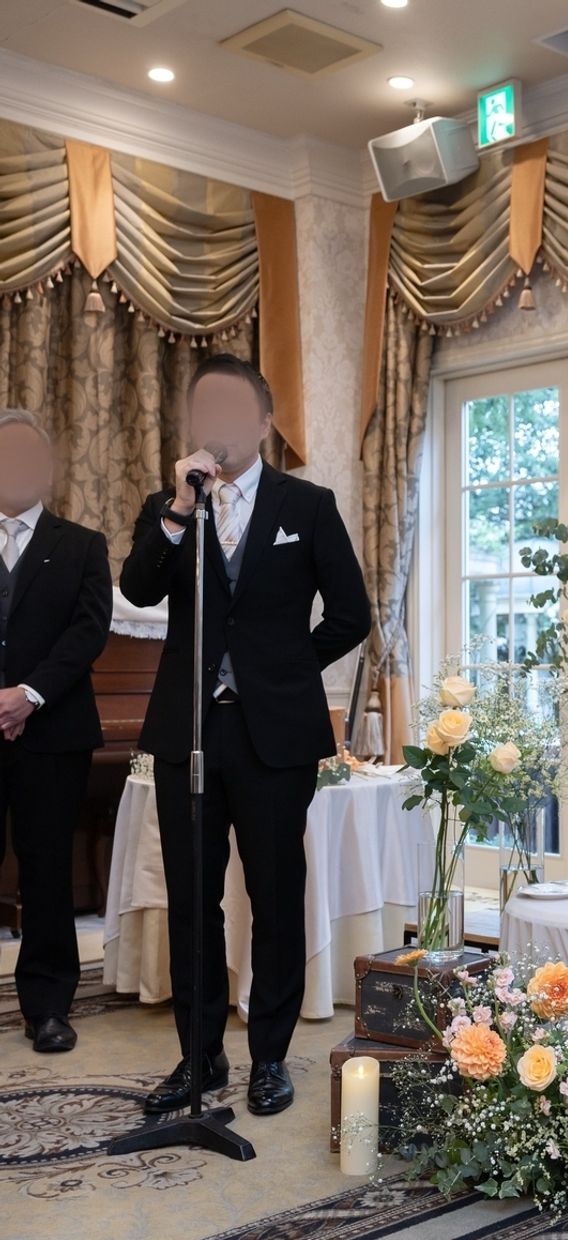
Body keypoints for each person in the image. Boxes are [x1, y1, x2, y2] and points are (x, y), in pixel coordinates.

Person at [120, 354, 369, 1117]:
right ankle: (199, 1056)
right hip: (187, 731)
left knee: (275, 896)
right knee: (193, 902)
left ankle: (269, 1057)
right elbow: (137, 589)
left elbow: (351, 614)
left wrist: (283, 672)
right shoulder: (172, 506)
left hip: (275, 737)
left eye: (233, 408)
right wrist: (176, 510)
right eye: (206, 409)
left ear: (262, 423)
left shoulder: (308, 505)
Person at [0, 409, 111, 1052]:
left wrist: (28, 695)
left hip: (53, 731)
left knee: (46, 871)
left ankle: (47, 1008)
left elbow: (88, 632)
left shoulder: (82, 544)